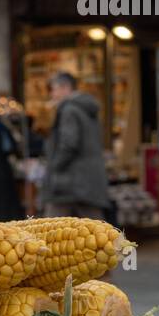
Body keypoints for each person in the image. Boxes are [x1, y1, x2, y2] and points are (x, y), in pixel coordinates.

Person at [39, 72, 113, 221]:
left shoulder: (69, 110)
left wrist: (54, 166)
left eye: (53, 89)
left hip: (69, 181)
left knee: (50, 228)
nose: (52, 94)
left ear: (65, 88)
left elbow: (69, 144)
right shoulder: (87, 108)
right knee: (96, 229)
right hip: (87, 180)